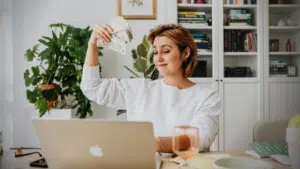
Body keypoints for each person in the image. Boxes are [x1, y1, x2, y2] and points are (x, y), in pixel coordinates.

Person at [80, 23, 221, 153]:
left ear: (185, 54)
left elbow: (200, 139)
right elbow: (92, 88)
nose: (158, 58)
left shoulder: (207, 96)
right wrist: (92, 44)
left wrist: (154, 143)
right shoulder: (139, 88)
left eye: (166, 51)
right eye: (155, 52)